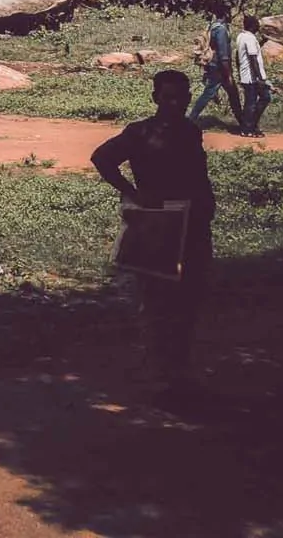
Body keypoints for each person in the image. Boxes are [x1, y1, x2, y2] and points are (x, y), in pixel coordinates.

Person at [93, 70, 219, 400]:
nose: (174, 103)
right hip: (158, 225)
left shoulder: (191, 132)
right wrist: (132, 192)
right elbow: (102, 158)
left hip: (193, 224)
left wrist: (207, 208)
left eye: (180, 97)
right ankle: (161, 378)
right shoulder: (139, 133)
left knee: (189, 302)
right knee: (158, 304)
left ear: (189, 98)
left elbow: (198, 176)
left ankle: (180, 373)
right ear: (155, 99)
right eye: (168, 97)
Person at [188, 15, 240, 126]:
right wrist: (228, 73)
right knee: (210, 93)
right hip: (219, 68)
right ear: (226, 14)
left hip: (214, 65)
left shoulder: (213, 26)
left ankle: (244, 122)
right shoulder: (221, 29)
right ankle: (190, 119)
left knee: (231, 93)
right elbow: (223, 54)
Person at [233, 13, 273, 135]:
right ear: (252, 26)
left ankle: (249, 127)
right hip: (252, 77)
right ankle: (248, 128)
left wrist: (261, 43)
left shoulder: (241, 36)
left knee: (252, 101)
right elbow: (252, 59)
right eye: (257, 25)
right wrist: (260, 78)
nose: (258, 28)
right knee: (261, 99)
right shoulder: (250, 38)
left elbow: (238, 56)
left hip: (246, 75)